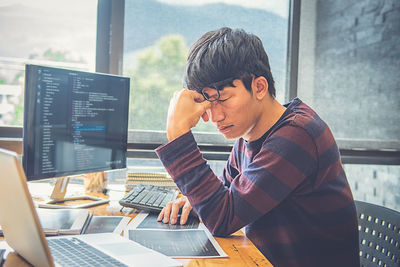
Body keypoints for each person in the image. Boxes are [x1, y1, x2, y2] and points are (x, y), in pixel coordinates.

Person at [155, 27, 360, 266]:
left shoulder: (297, 135)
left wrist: (179, 135)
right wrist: (197, 202)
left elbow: (223, 218)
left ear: (259, 87)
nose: (215, 116)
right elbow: (226, 196)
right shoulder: (249, 135)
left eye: (222, 99)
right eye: (208, 102)